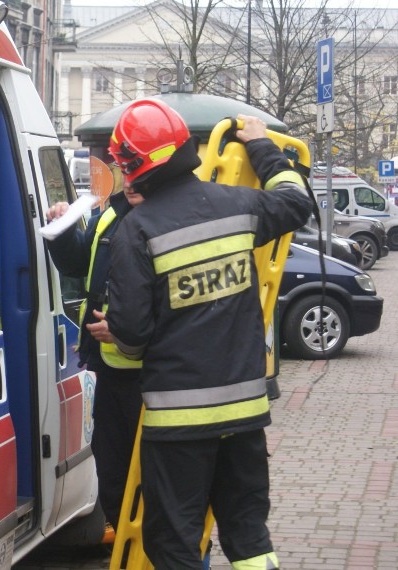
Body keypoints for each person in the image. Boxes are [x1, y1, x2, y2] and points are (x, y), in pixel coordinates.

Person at [86, 100, 312, 569]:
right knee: (250, 537)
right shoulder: (237, 206)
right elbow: (295, 201)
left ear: (136, 168)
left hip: (178, 425)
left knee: (173, 543)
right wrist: (263, 148)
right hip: (246, 414)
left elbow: (132, 330)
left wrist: (119, 337)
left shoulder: (139, 230)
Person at [45, 180, 144, 531]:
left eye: (138, 169)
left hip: (158, 378)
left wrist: (126, 332)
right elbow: (78, 266)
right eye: (126, 169)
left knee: (158, 485)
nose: (130, 179)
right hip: (110, 370)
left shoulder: (170, 219)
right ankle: (125, 541)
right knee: (112, 474)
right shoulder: (110, 214)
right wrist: (62, 231)